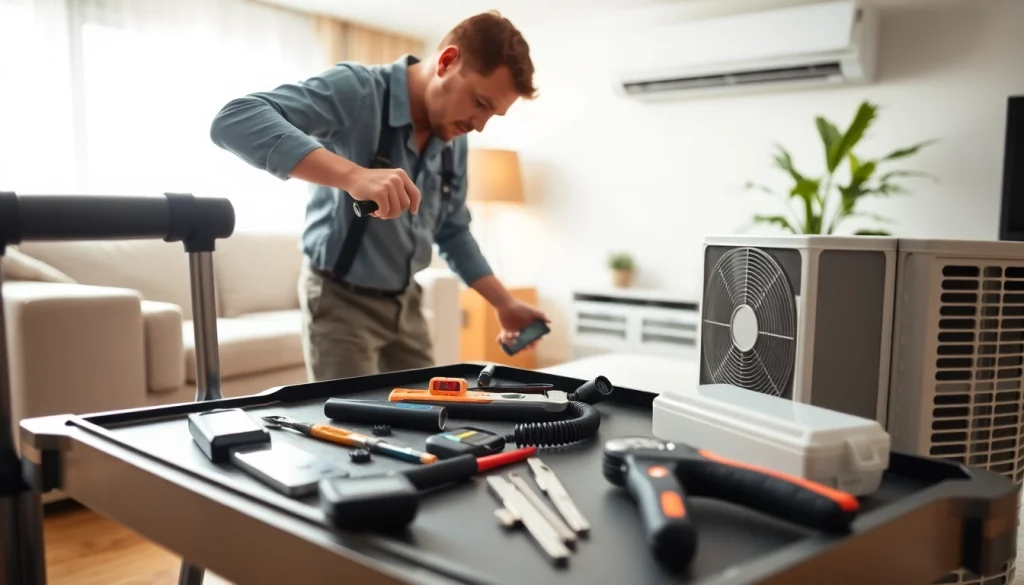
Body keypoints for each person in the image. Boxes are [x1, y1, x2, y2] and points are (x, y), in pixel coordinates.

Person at [209, 11, 549, 381]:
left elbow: (452, 231)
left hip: (407, 304)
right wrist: (352, 175)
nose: (479, 126)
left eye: (492, 116)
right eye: (481, 104)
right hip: (340, 302)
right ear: (448, 62)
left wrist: (505, 304)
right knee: (350, 431)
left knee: (427, 416)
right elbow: (235, 119)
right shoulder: (358, 91)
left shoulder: (455, 137)